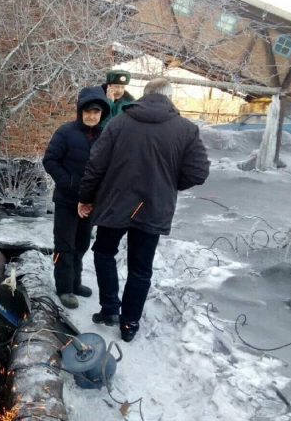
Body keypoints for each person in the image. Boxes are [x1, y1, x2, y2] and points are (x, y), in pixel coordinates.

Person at [78, 78, 210, 342]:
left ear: (144, 95)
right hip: (153, 207)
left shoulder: (118, 123)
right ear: (169, 97)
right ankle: (129, 324)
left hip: (115, 203)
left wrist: (86, 197)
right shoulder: (185, 129)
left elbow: (96, 165)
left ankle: (109, 309)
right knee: (141, 268)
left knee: (104, 253)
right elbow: (198, 172)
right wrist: (168, 184)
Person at [43, 86, 111, 309]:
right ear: (80, 111)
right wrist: (70, 183)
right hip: (67, 201)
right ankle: (64, 288)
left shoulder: (106, 137)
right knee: (65, 245)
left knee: (81, 244)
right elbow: (50, 160)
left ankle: (75, 282)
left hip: (90, 204)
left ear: (102, 114)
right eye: (88, 111)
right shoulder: (66, 132)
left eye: (96, 112)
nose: (92, 116)